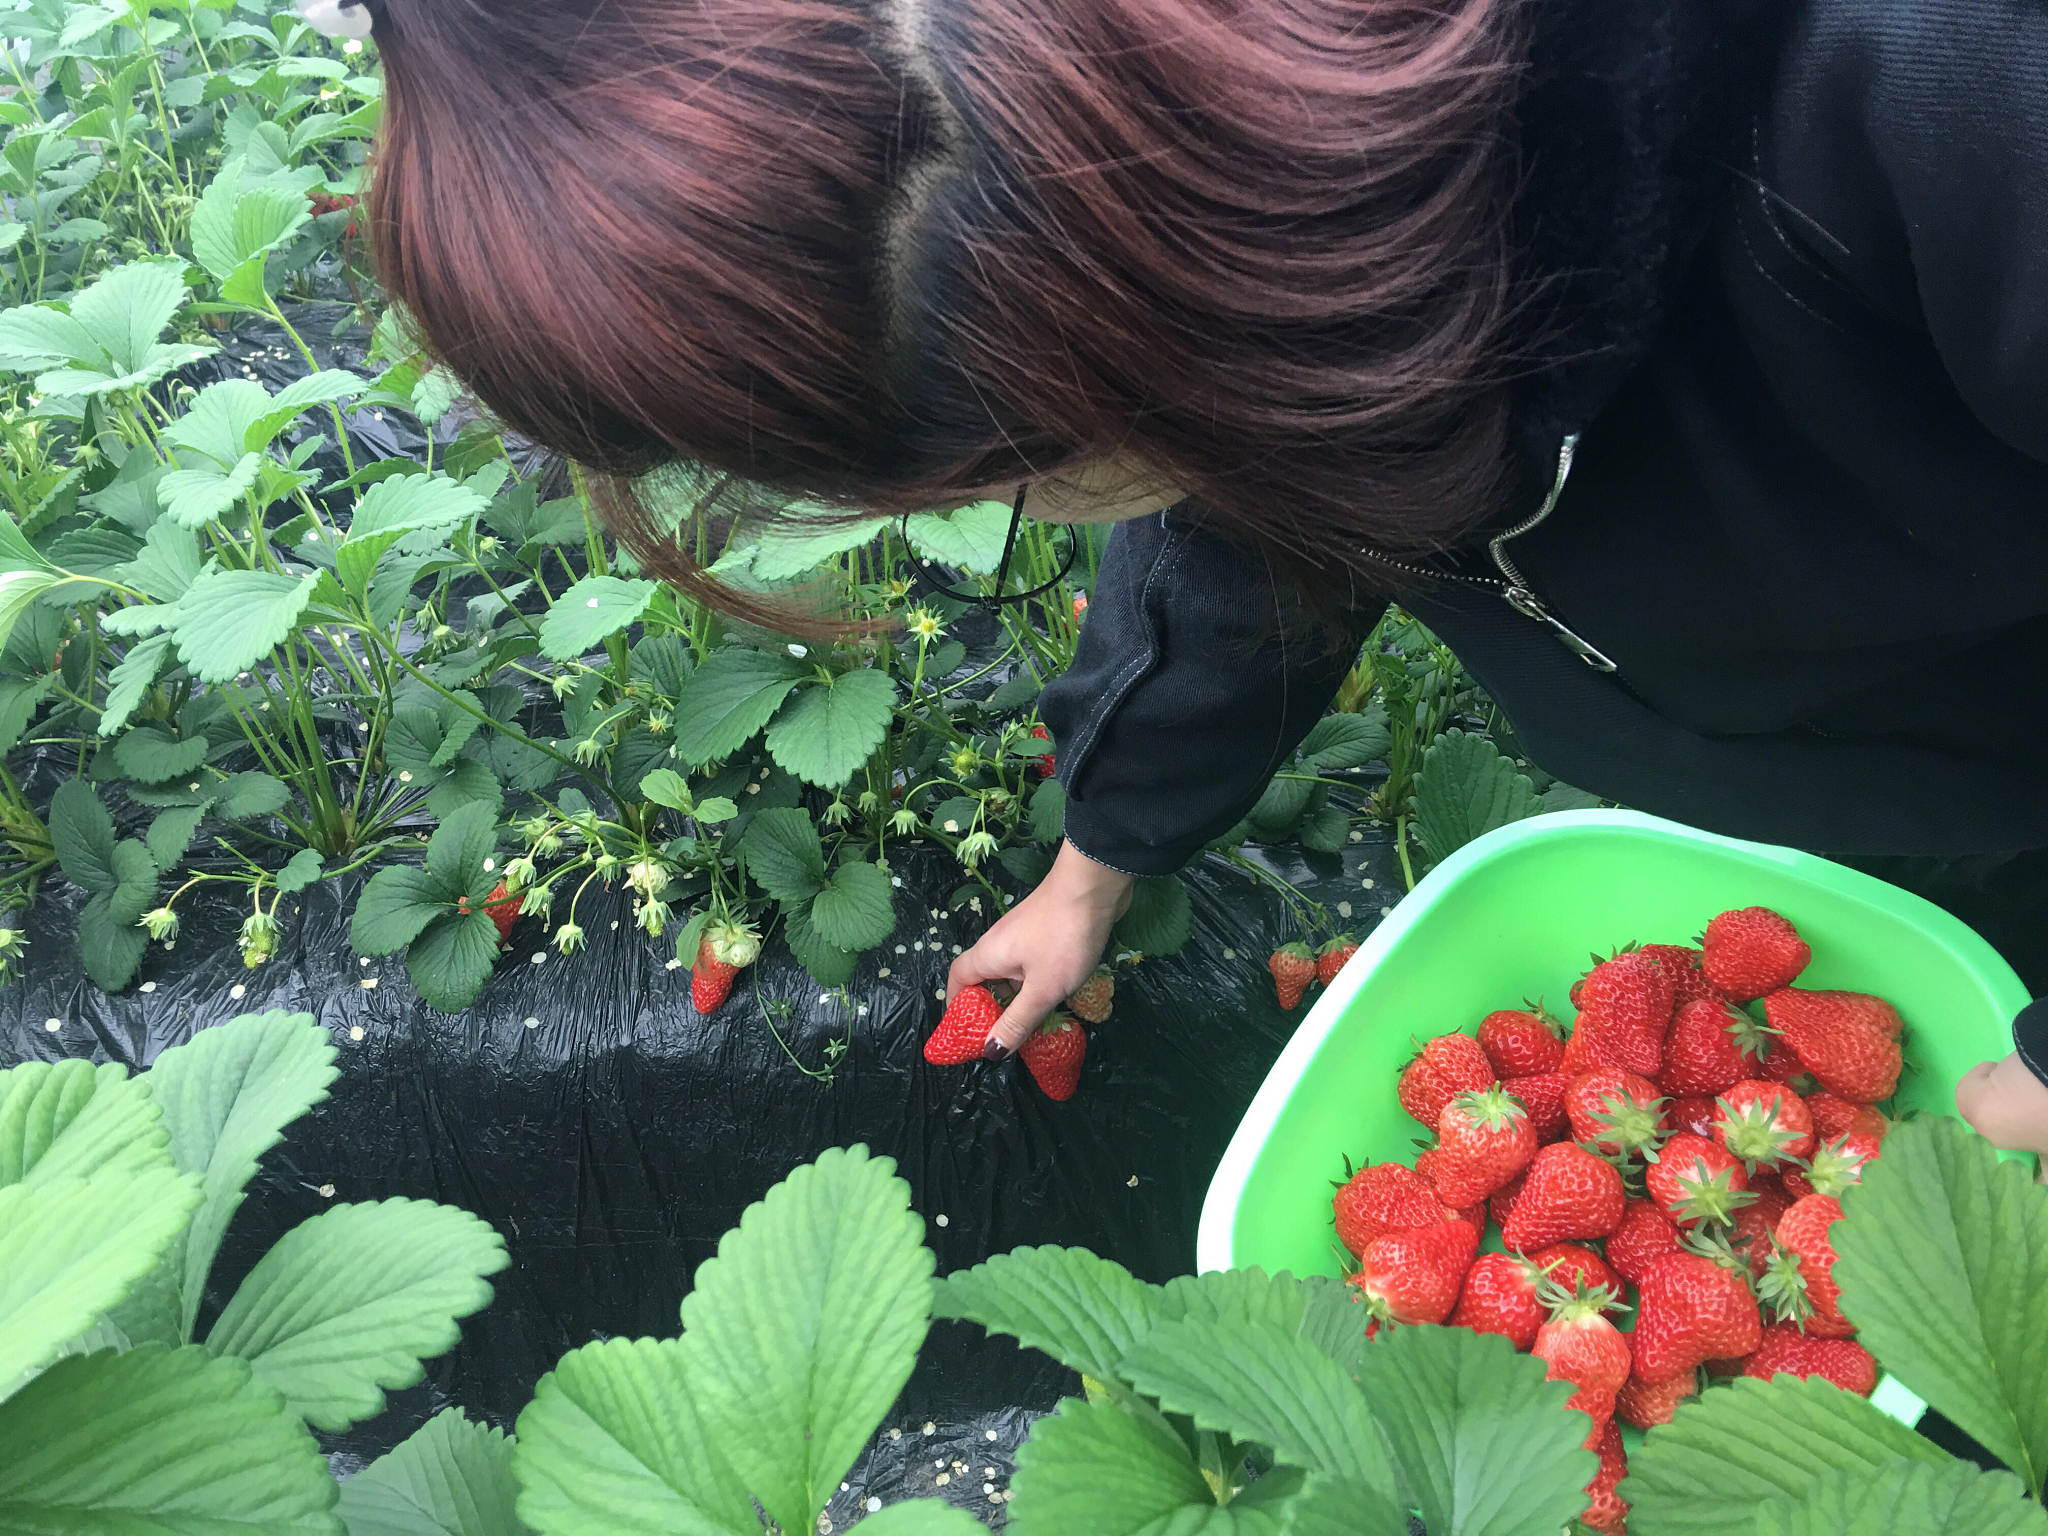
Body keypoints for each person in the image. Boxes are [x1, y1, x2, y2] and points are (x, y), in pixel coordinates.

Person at [307, 0, 2048, 1156]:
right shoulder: (1235, 293)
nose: (1039, 506)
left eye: (1022, 469)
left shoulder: (1952, 99)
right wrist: (1101, 860)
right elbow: (1248, 526)